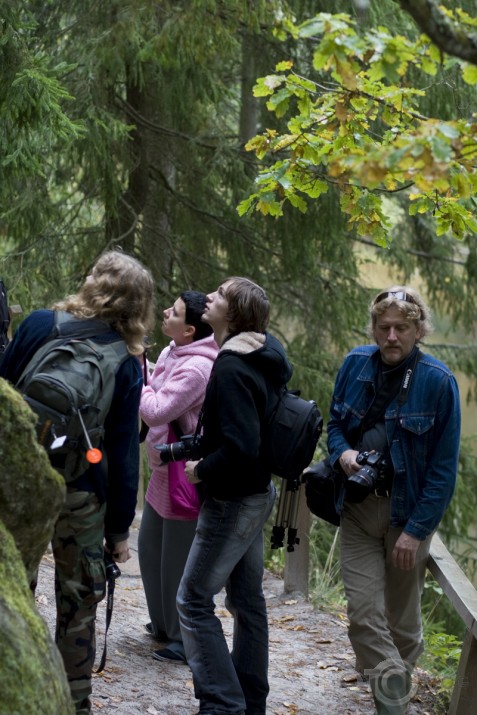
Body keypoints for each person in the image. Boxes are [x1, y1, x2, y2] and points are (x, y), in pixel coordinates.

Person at [0, 250, 155, 715]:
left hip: (23, 480)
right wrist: (119, 532)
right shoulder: (128, 361)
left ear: (93, 282)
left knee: (12, 585)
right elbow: (125, 454)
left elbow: (6, 394)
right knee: (78, 599)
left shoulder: (39, 325)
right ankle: (73, 701)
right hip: (82, 492)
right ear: (139, 306)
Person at [326, 286, 461, 715]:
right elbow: (333, 426)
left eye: (402, 327)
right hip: (359, 510)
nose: (391, 336)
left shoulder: (439, 382)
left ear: (418, 330)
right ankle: (394, 705)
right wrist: (343, 452)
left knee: (403, 627)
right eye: (383, 327)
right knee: (364, 615)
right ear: (373, 327)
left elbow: (442, 471)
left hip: (408, 518)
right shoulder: (353, 364)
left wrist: (416, 532)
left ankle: (389, 692)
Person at [178, 276, 292, 715]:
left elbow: (241, 447)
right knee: (247, 600)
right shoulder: (264, 355)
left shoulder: (230, 366)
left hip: (232, 500)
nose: (209, 297)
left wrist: (200, 468)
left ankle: (223, 703)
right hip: (258, 494)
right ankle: (249, 701)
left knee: (191, 599)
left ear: (235, 314)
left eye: (219, 296)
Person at [138, 291, 218, 664]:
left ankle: (180, 637)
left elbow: (155, 411)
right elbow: (159, 384)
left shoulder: (198, 367)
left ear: (189, 330)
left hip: (183, 472)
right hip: (162, 466)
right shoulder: (174, 350)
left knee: (176, 559)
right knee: (150, 547)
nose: (165, 311)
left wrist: (137, 377)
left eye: (175, 312)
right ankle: (161, 624)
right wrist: (149, 373)